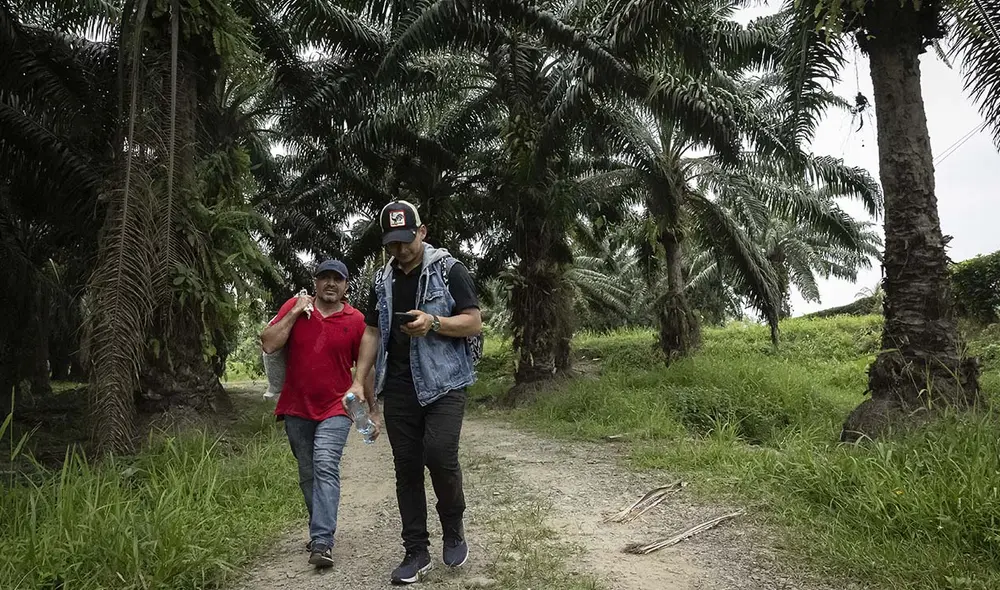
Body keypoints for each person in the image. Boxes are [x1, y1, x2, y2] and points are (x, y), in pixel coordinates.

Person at [344, 200, 481, 585]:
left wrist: (433, 322)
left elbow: (473, 322)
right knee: (406, 469)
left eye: (406, 241)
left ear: (422, 232)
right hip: (401, 386)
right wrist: (359, 379)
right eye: (392, 243)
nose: (400, 250)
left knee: (439, 455)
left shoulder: (449, 271)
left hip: (445, 382)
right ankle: (415, 551)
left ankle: (453, 527)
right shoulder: (381, 281)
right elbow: (372, 331)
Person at [260, 259, 378, 568]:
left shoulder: (356, 320)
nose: (330, 283)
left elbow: (365, 369)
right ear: (315, 282)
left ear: (346, 285)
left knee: (326, 464)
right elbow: (269, 343)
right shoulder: (295, 307)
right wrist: (297, 310)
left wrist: (373, 411)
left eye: (337, 279)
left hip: (336, 407)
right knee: (308, 471)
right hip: (296, 406)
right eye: (324, 277)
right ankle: (318, 528)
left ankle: (323, 541)